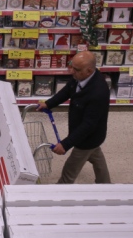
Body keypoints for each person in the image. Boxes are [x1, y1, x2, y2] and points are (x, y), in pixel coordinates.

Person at [36, 51, 111, 184]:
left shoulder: (98, 92)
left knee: (69, 171)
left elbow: (88, 125)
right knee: (96, 156)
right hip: (91, 135)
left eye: (75, 69)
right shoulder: (81, 77)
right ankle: (105, 184)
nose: (71, 71)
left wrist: (65, 144)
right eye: (71, 66)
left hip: (87, 138)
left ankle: (60, 191)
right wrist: (49, 104)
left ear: (89, 70)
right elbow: (67, 91)